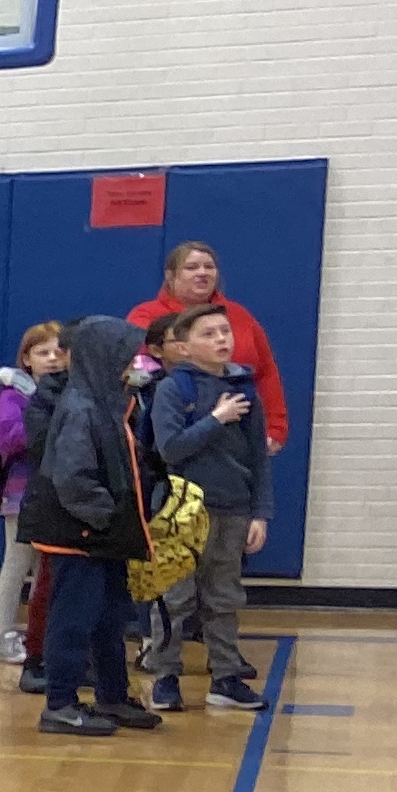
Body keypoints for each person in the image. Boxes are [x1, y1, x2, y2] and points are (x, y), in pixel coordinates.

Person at [15, 315, 168, 739]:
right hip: (79, 534)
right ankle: (60, 704)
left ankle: (112, 695)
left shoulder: (110, 403)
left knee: (108, 618)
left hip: (103, 535)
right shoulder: (80, 408)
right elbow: (73, 478)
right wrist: (106, 517)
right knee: (73, 619)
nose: (132, 364)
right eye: (125, 355)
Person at [138, 302, 271, 712]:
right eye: (208, 334)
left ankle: (227, 677)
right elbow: (171, 449)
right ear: (183, 345)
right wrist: (216, 418)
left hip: (232, 509)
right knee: (175, 598)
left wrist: (260, 513)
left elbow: (258, 460)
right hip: (181, 511)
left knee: (224, 596)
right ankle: (165, 675)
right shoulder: (173, 390)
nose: (221, 340)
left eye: (224, 332)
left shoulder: (246, 388)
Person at [128, 242, 291, 458]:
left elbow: (266, 372)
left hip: (238, 431)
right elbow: (133, 374)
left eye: (209, 266)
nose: (202, 273)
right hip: (175, 432)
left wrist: (275, 425)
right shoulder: (145, 317)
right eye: (192, 267)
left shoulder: (240, 315)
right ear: (170, 275)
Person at [0, 321, 67, 673]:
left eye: (58, 352)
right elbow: (10, 438)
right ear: (26, 359)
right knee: (16, 561)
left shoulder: (70, 393)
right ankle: (5, 636)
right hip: (22, 492)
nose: (51, 359)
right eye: (42, 352)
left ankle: (38, 633)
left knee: (44, 568)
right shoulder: (13, 395)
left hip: (57, 490)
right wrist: (48, 422)